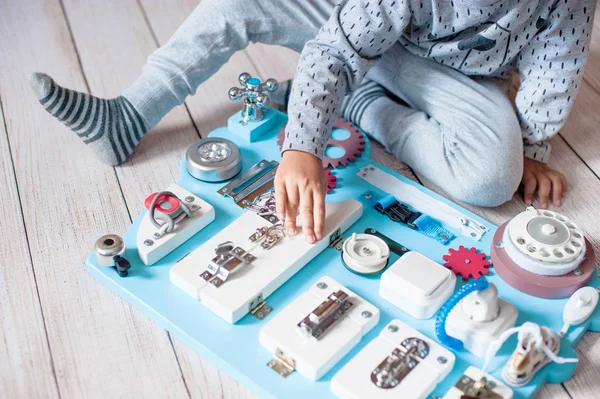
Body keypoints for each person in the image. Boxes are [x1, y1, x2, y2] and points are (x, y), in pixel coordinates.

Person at [30, 0, 593, 244]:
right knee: (237, 7)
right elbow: (334, 50)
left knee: (492, 177)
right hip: (356, 28)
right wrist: (303, 146)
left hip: (455, 80)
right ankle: (128, 114)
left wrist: (532, 148)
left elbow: (557, 64)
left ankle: (358, 103)